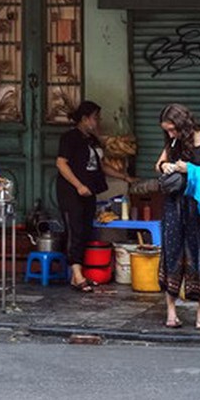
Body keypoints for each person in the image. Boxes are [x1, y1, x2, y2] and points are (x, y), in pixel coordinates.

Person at [154, 103, 200, 330]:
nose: (170, 134)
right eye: (167, 131)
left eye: (173, 129)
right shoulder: (173, 141)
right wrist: (165, 166)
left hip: (197, 207)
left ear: (183, 125)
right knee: (171, 253)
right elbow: (159, 163)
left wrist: (190, 170)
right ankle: (171, 312)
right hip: (174, 205)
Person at [55, 100, 133, 292]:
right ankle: (78, 275)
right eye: (95, 118)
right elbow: (61, 164)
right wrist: (78, 185)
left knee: (86, 231)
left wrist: (123, 176)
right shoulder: (69, 138)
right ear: (84, 119)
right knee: (75, 231)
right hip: (71, 192)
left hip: (89, 192)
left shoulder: (92, 140)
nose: (98, 121)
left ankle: (77, 276)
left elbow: (101, 166)